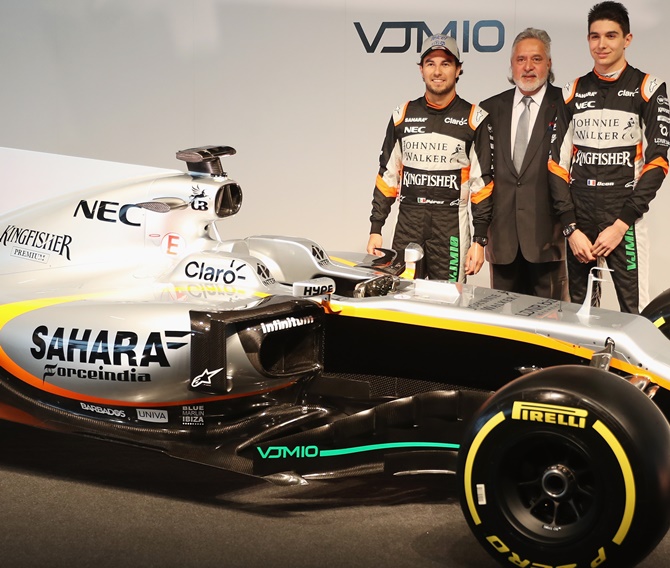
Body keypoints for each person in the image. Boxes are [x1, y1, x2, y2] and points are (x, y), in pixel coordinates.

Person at [548, 1, 670, 313]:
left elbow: (658, 162)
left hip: (623, 214)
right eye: (594, 36)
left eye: (611, 36)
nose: (602, 45)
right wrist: (570, 228)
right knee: (580, 312)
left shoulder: (649, 88)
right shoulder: (571, 90)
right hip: (579, 216)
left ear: (627, 40)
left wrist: (621, 224)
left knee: (636, 314)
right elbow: (556, 166)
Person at [366, 34, 494, 282]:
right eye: (430, 63)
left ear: (458, 70)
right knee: (399, 300)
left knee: (448, 306)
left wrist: (479, 240)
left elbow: (483, 186)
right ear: (421, 70)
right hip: (408, 223)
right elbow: (387, 176)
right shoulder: (402, 115)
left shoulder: (475, 118)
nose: (438, 71)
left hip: (451, 228)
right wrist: (376, 228)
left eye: (446, 63)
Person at [480, 28, 568, 300]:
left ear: (549, 63)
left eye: (536, 59)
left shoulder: (565, 105)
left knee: (551, 330)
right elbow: (483, 175)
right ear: (512, 64)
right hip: (503, 242)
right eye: (521, 59)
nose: (528, 67)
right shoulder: (489, 109)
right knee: (506, 332)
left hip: (548, 241)